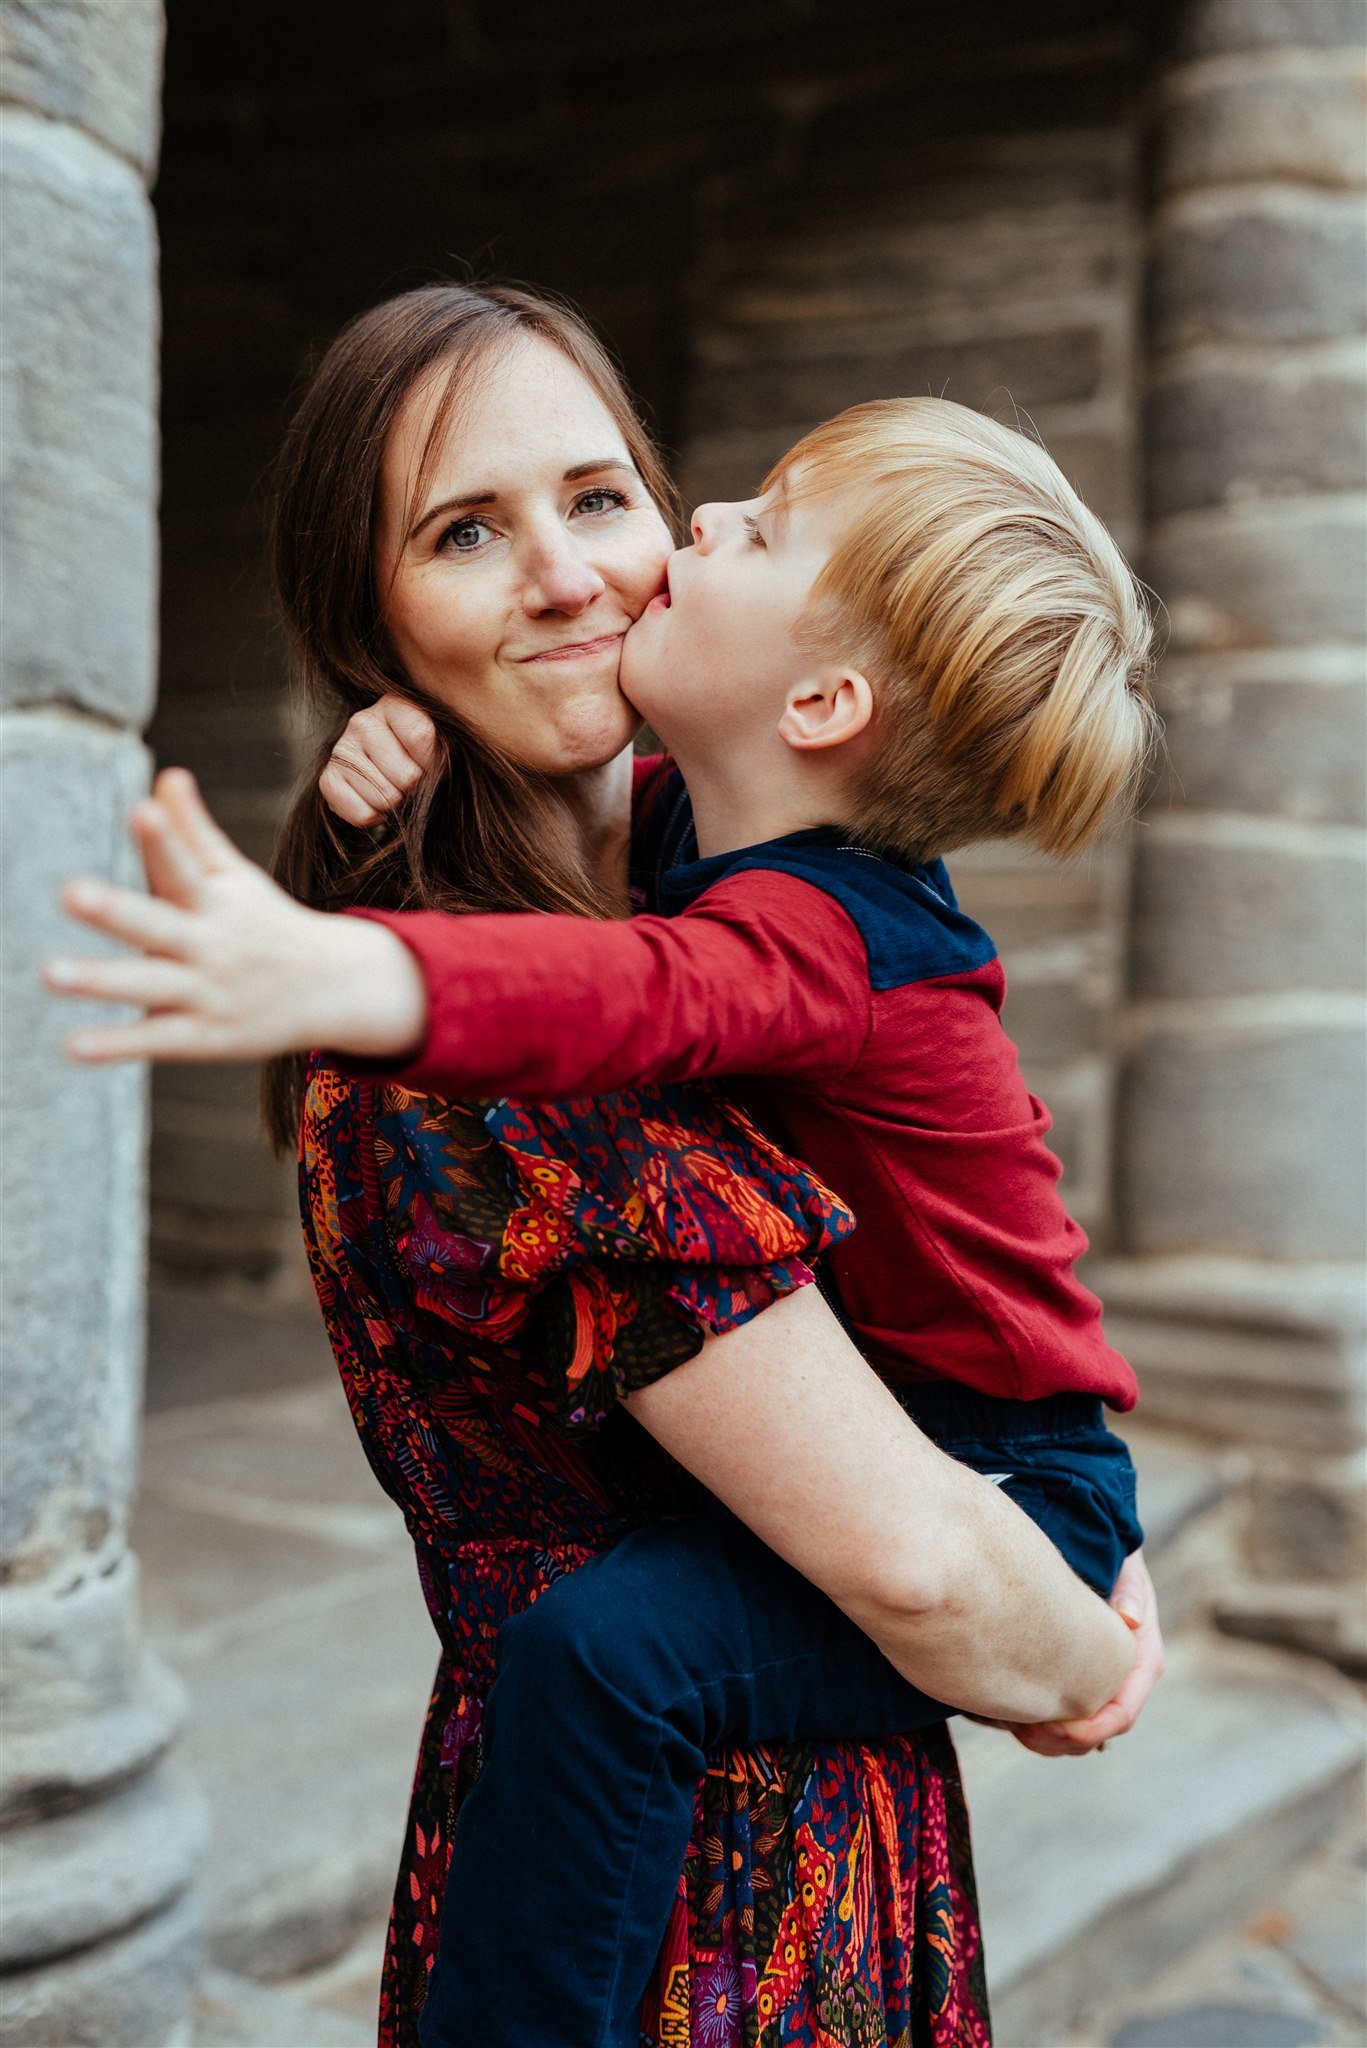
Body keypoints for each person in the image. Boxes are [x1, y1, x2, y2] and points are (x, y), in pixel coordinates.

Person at [44, 283, 1163, 2048]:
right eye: (465, 533)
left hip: (882, 1680)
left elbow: (650, 977)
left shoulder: (737, 896)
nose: (576, 573)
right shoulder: (558, 1037)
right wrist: (1075, 1644)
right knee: (607, 1653)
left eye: (599, 498)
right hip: (680, 1907)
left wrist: (1073, 1550)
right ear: (376, 619)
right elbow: (934, 1577)